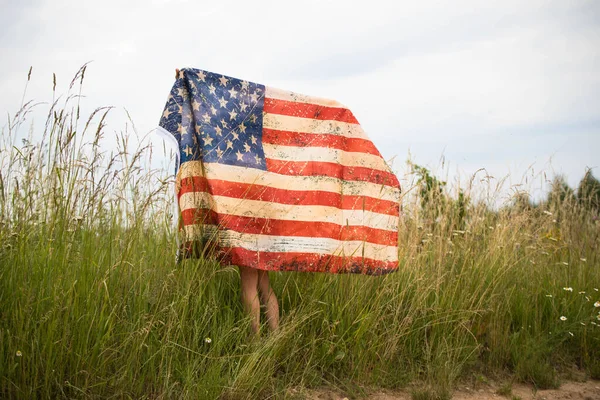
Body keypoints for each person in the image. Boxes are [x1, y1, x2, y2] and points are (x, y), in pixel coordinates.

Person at [175, 69, 280, 335]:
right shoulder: (259, 154)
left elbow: (212, 123)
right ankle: (276, 337)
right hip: (265, 222)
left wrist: (189, 82)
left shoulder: (235, 154)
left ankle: (257, 343)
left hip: (248, 222)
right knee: (264, 284)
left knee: (249, 285)